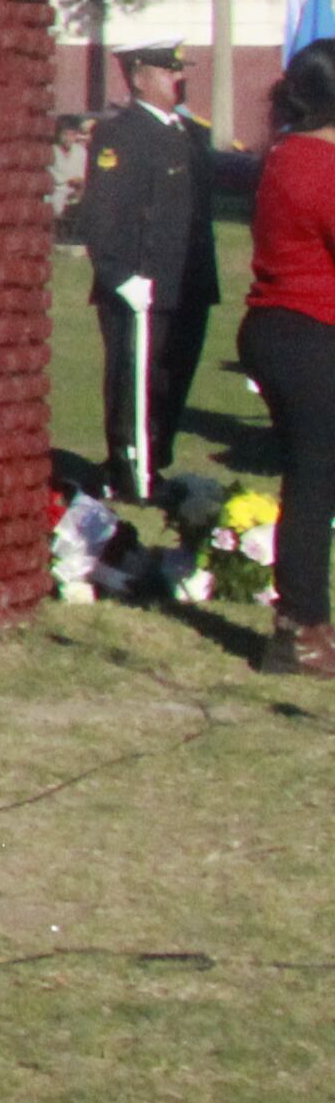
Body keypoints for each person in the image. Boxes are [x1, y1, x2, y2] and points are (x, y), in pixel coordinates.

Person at [70, 42, 218, 497]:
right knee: (137, 380)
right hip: (142, 282)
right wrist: (118, 274)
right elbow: (102, 212)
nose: (179, 78)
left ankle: (158, 463)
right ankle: (130, 470)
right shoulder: (122, 133)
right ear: (138, 77)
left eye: (179, 70)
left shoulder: (189, 134)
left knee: (175, 378)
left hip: (187, 281)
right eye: (167, 69)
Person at [231, 44, 335, 679]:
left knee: (314, 476)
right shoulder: (318, 165)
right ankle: (298, 629)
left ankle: (303, 624)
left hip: (284, 328)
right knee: (314, 479)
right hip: (308, 330)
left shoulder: (287, 154)